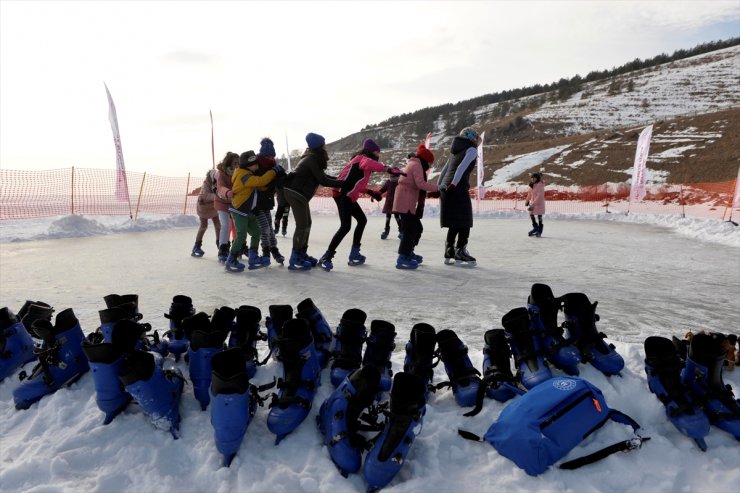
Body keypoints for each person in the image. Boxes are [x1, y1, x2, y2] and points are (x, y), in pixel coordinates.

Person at [318, 139, 404, 271]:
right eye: (376, 152)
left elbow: (356, 184)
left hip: (347, 195)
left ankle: (354, 253)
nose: (378, 155)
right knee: (345, 226)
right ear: (370, 151)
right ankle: (326, 256)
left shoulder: (361, 164)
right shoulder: (362, 159)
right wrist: (388, 169)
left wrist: (370, 192)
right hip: (342, 194)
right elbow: (369, 163)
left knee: (362, 220)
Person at [282, 132, 344, 271]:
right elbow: (323, 180)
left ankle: (302, 253)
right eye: (324, 144)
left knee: (307, 224)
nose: (325, 146)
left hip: (299, 194)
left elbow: (322, 176)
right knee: (302, 225)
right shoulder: (312, 159)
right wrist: (343, 183)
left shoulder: (312, 157)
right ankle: (295, 258)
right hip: (295, 193)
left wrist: (340, 180)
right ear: (319, 146)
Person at [224, 151, 281, 272]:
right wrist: (273, 171)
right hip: (239, 211)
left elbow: (260, 186)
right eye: (255, 164)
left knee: (257, 232)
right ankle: (231, 259)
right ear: (248, 165)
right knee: (241, 236)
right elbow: (260, 181)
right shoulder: (243, 175)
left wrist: (274, 183)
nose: (257, 166)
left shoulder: (248, 175)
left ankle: (253, 257)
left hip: (248, 211)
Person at [437, 127, 481, 265]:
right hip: (457, 188)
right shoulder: (471, 150)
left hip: (446, 188)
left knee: (454, 221)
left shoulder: (455, 151)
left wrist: (440, 186)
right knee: (465, 220)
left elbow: (444, 171)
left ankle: (449, 249)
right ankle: (460, 251)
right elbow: (461, 167)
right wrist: (455, 184)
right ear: (472, 138)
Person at [392, 144, 439, 269]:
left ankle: (408, 252)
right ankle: (402, 257)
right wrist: (437, 187)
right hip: (405, 202)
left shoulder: (413, 163)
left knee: (416, 228)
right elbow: (421, 184)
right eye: (429, 163)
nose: (429, 166)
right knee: (410, 229)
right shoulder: (417, 165)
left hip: (405, 201)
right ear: (425, 160)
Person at [253, 138, 285, 265]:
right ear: (263, 154)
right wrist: (274, 181)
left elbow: (280, 180)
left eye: (272, 156)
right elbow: (260, 184)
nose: (271, 158)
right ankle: (265, 251)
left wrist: (284, 176)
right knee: (265, 228)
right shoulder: (257, 166)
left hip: (266, 203)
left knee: (270, 229)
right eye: (268, 155)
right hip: (256, 204)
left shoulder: (273, 166)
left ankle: (274, 249)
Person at [214, 152, 240, 262]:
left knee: (238, 226)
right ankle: (223, 249)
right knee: (226, 226)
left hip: (234, 203)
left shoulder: (239, 173)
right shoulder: (221, 173)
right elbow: (220, 187)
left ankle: (237, 247)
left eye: (238, 163)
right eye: (235, 163)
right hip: (222, 203)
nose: (237, 165)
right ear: (229, 163)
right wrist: (227, 192)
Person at [191, 169, 221, 257]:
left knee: (218, 226)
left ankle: (220, 245)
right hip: (203, 207)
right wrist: (218, 195)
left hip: (213, 207)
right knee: (204, 226)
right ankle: (197, 246)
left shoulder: (217, 183)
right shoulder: (206, 185)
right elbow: (205, 196)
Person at [378, 175, 403, 240]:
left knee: (397, 216)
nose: (391, 176)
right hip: (389, 203)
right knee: (388, 217)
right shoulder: (388, 182)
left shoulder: (399, 182)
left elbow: (404, 191)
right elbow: (383, 189)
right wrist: (376, 194)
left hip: (396, 202)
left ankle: (401, 231)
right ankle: (386, 231)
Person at [525, 172, 545, 237]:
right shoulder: (531, 184)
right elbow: (529, 193)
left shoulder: (540, 185)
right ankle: (535, 227)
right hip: (533, 202)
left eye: (534, 178)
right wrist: (527, 201)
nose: (533, 179)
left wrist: (532, 204)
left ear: (537, 178)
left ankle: (540, 229)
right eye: (532, 178)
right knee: (531, 214)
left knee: (539, 215)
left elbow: (539, 196)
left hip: (539, 202)